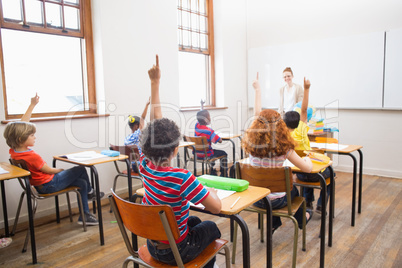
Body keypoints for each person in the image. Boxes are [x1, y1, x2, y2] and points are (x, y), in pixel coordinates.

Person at [139, 55, 222, 268]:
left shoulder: (144, 166)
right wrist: (209, 190)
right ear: (176, 149)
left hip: (152, 245)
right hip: (177, 250)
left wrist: (154, 83)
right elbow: (216, 208)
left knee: (194, 222)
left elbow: (154, 123)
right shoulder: (182, 178)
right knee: (211, 227)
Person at [3, 94, 104, 225]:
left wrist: (32, 105)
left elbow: (20, 128)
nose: (35, 137)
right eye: (32, 135)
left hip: (41, 185)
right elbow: (49, 170)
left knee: (82, 183)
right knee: (80, 168)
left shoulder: (14, 151)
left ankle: (84, 216)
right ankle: (91, 192)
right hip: (49, 184)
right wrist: (60, 170)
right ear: (21, 139)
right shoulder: (32, 156)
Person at [244, 72, 313, 233]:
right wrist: (308, 159)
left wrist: (257, 90)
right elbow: (307, 169)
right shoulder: (284, 148)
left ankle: (275, 222)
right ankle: (302, 219)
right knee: (292, 188)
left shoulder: (252, 144)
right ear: (279, 126)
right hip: (277, 201)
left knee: (272, 186)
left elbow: (257, 117)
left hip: (256, 198)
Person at [283, 78, 332, 213]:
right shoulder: (301, 127)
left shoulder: (282, 135)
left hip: (295, 173)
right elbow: (304, 109)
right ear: (299, 121)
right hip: (309, 173)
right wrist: (307, 89)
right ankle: (321, 205)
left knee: (306, 168)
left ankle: (308, 202)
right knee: (329, 173)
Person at [194, 110, 228, 177]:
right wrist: (217, 136)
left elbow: (200, 116)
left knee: (212, 152)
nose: (210, 118)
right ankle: (224, 174)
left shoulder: (196, 126)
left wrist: (202, 105)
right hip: (207, 155)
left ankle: (212, 170)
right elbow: (220, 141)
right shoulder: (209, 131)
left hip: (197, 154)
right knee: (223, 153)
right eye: (209, 116)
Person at [124, 98, 150, 172]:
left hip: (133, 166)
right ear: (136, 126)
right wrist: (147, 105)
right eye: (139, 125)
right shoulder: (137, 135)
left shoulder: (127, 139)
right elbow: (142, 118)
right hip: (141, 166)